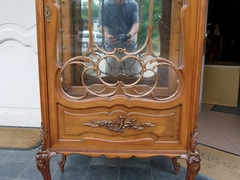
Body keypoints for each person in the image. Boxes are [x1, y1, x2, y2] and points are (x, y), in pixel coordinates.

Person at [98, 0, 141, 76]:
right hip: (112, 49)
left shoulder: (133, 4)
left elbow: (136, 24)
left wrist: (131, 34)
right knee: (112, 81)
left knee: (133, 80)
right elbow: (102, 25)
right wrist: (107, 36)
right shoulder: (105, 5)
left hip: (130, 48)